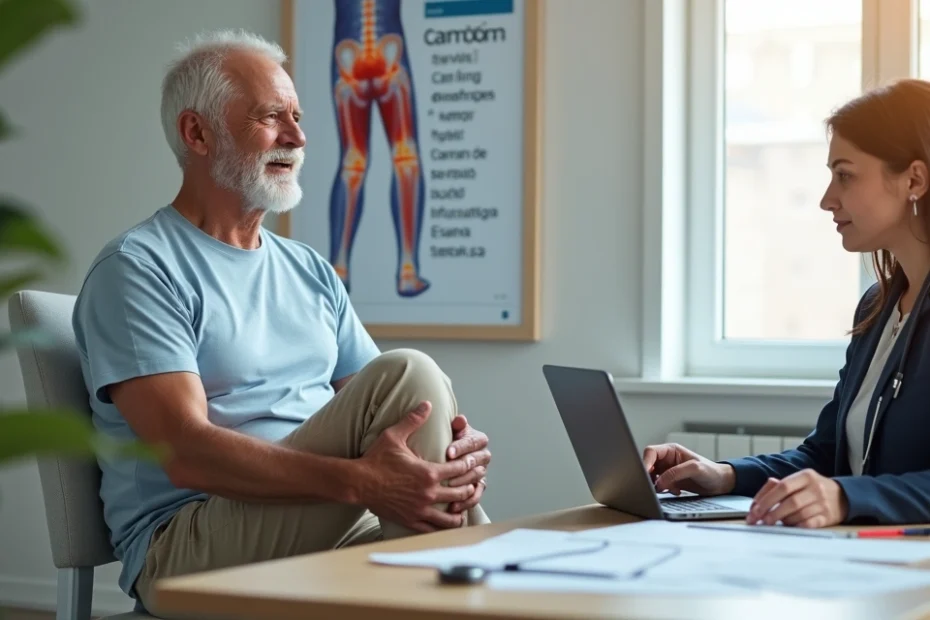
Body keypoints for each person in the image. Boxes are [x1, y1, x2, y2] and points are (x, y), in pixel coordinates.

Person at [71, 30, 490, 616]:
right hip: (187, 547)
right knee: (412, 374)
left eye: (296, 116)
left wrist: (449, 445)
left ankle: (488, 579)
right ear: (197, 133)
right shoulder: (138, 269)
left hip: (325, 526)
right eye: (272, 117)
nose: (297, 137)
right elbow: (185, 452)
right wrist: (364, 484)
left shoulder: (309, 269)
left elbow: (396, 411)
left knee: (426, 412)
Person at [643, 78, 930, 529]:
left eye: (845, 175)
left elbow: (842, 485)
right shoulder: (877, 308)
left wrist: (843, 497)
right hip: (864, 559)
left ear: (914, 179)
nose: (826, 199)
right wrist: (725, 475)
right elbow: (825, 454)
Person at [328, 0, 430, 297]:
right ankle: (407, 272)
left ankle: (340, 270)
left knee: (354, 162)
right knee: (403, 157)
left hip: (351, 53)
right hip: (389, 52)